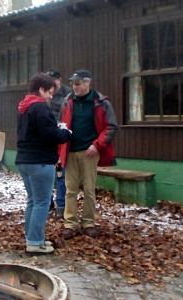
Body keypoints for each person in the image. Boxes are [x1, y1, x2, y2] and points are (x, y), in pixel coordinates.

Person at [15, 73, 72, 254]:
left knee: (33, 201)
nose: (51, 96)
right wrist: (66, 134)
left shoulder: (25, 107)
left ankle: (32, 237)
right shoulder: (41, 108)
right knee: (42, 202)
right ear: (41, 89)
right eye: (49, 92)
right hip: (40, 161)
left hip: (24, 160)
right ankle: (34, 242)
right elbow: (50, 135)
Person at [59, 70, 117, 239]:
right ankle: (70, 223)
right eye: (73, 83)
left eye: (77, 83)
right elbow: (61, 125)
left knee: (89, 190)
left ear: (87, 83)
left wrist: (97, 145)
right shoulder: (67, 102)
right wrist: (60, 151)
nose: (74, 86)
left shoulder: (101, 102)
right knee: (70, 190)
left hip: (90, 152)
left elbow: (111, 126)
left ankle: (88, 223)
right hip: (70, 151)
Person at [46, 69, 72, 219]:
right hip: (47, 138)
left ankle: (61, 206)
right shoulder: (43, 94)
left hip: (62, 137)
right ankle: (48, 203)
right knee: (48, 173)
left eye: (53, 80)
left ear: (59, 79)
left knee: (61, 174)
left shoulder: (68, 94)